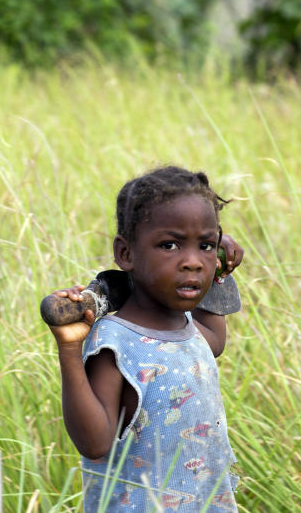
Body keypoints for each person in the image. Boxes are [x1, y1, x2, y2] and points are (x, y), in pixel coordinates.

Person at [48, 166, 244, 511]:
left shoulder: (187, 327)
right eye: (170, 245)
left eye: (205, 245)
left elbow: (214, 341)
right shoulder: (116, 342)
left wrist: (221, 271)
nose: (192, 263)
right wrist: (69, 347)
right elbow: (95, 443)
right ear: (126, 254)